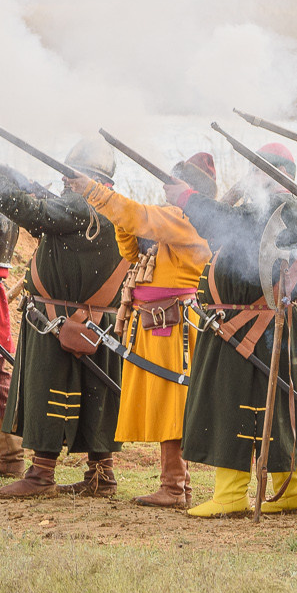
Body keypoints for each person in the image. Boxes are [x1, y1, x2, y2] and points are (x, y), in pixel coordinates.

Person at [172, 143, 297, 518]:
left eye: (259, 171)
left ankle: (231, 495)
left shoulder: (282, 208)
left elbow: (231, 226)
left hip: (256, 324)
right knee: (259, 409)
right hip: (255, 324)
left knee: (232, 405)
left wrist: (188, 199)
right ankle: (291, 490)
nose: (253, 177)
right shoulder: (273, 206)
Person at [0, 141, 128, 500]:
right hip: (97, 320)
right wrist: (9, 176)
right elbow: (43, 205)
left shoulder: (80, 203)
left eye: (70, 173)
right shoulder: (111, 205)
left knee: (48, 392)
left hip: (59, 319)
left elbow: (32, 212)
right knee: (95, 398)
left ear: (87, 177)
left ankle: (42, 474)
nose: (64, 178)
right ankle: (100, 474)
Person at [77, 153, 218, 508]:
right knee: (164, 401)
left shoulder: (187, 220)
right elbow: (130, 248)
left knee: (171, 404)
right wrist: (123, 219)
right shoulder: (171, 221)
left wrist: (95, 192)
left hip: (170, 323)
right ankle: (177, 485)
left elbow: (141, 216)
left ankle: (173, 487)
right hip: (155, 320)